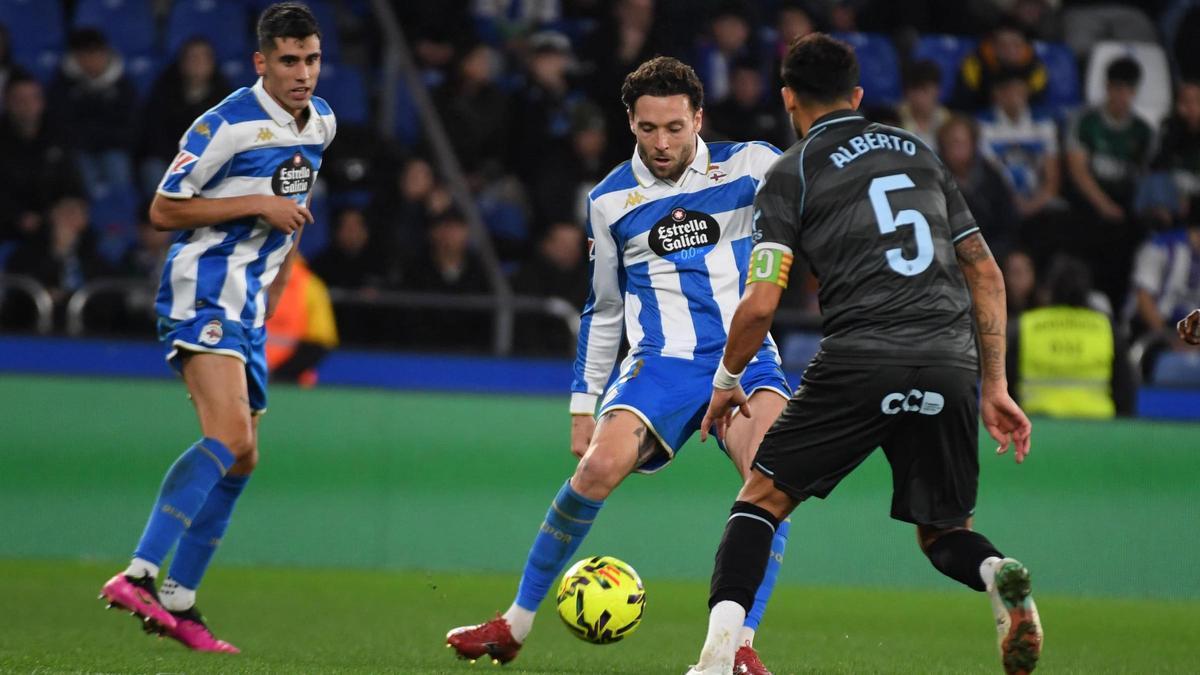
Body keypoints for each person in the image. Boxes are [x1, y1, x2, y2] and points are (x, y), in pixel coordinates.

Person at [685, 34, 1042, 675]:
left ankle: (714, 661)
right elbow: (986, 273)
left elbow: (762, 302)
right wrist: (994, 385)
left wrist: (726, 378)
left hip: (862, 356)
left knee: (759, 499)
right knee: (945, 532)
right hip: (949, 359)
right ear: (857, 96)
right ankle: (998, 573)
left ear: (787, 96)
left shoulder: (790, 171)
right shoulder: (921, 154)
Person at [446, 56, 792, 675]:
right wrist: (583, 404)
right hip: (661, 364)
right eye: (648, 128)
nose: (662, 143)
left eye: (675, 128)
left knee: (772, 479)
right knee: (595, 469)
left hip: (744, 357)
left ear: (698, 120)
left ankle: (736, 646)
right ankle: (514, 625)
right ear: (630, 123)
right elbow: (603, 310)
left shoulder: (753, 166)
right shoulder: (610, 201)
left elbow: (814, 206)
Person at [97, 2, 334, 654]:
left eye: (311, 58)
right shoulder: (225, 123)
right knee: (228, 435)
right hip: (201, 291)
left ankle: (180, 600)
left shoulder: (322, 125)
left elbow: (296, 212)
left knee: (245, 453)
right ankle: (140, 572)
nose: (302, 72)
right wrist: (257, 200)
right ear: (262, 62)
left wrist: (273, 292)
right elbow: (162, 208)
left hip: (247, 306)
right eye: (288, 60)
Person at [1065, 57, 1155, 309]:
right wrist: (1103, 205)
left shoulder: (1143, 131)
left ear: (1134, 92)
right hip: (1089, 203)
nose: (1121, 96)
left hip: (1124, 206)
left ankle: (1118, 307)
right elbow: (1078, 170)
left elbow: (1144, 177)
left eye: (1127, 90)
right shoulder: (1085, 122)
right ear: (1107, 87)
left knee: (1131, 239)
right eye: (1116, 88)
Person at [1010, 255, 1133, 419]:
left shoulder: (1026, 326)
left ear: (1050, 289)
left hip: (1037, 427)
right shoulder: (1105, 327)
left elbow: (1006, 384)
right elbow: (1124, 388)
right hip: (1099, 428)